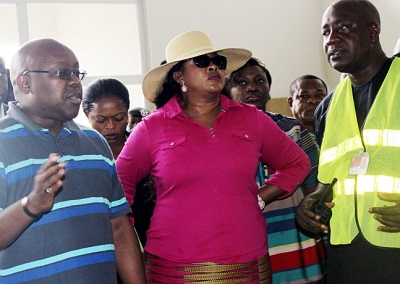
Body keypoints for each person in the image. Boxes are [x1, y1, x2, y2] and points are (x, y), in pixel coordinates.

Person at [116, 30, 311, 283]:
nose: (212, 67)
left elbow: (297, 163)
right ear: (179, 76)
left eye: (217, 62)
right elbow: (118, 190)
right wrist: (127, 247)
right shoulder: (152, 128)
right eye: (201, 62)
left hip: (249, 265)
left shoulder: (251, 118)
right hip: (176, 270)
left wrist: (261, 197)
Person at [0, 38, 145, 283]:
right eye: (63, 73)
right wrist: (30, 205)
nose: (76, 82)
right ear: (25, 82)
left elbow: (119, 228)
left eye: (77, 73)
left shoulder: (95, 143)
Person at [296, 1, 400, 283]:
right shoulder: (327, 107)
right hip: (346, 252)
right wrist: (313, 202)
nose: (332, 39)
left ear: (373, 31)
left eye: (343, 28)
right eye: (326, 32)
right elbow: (328, 181)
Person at [225, 57, 326, 284]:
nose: (252, 87)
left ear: (269, 91)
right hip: (248, 252)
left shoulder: (292, 130)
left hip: (300, 249)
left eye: (259, 80)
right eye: (241, 83)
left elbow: (317, 190)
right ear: (227, 91)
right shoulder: (218, 137)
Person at [82, 77, 155, 248]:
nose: (111, 126)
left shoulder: (145, 150)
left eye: (119, 118)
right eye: (101, 120)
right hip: (100, 246)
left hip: (150, 244)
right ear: (87, 116)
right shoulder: (81, 156)